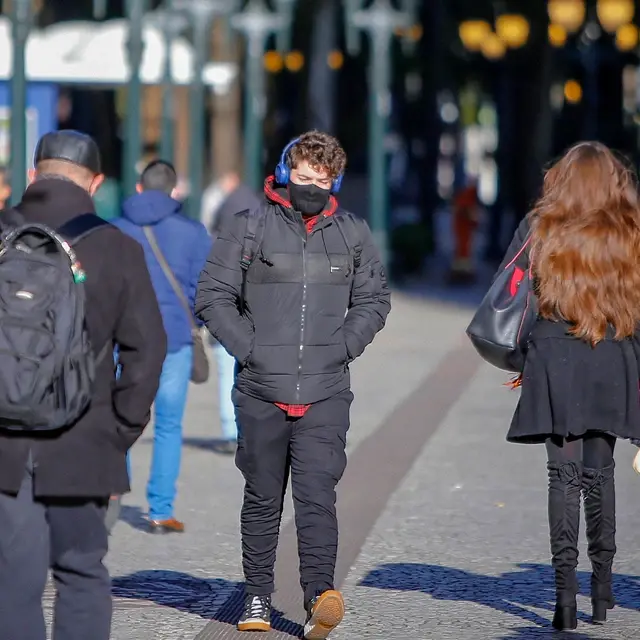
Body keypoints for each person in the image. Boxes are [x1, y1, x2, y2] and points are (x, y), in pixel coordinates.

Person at [196, 130, 391, 638]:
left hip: (326, 389)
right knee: (263, 497)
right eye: (302, 177)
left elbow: (374, 299)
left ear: (335, 183)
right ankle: (257, 596)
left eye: (321, 182)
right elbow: (212, 296)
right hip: (261, 389)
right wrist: (251, 350)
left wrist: (344, 346)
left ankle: (319, 597)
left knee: (317, 495)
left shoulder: (352, 233)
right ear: (284, 174)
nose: (310, 188)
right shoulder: (248, 226)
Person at [0, 130, 166, 639]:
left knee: (11, 583)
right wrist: (119, 431)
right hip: (84, 440)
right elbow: (147, 350)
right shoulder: (117, 248)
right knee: (82, 575)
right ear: (95, 183)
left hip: (4, 444)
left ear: (34, 174)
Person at [497, 141, 640, 631]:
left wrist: (525, 358)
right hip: (614, 353)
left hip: (555, 353)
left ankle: (564, 598)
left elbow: (512, 291)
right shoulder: (629, 228)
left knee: (562, 476)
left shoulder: (541, 226)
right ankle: (601, 590)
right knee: (601, 472)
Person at [113, 159, 211, 533]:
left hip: (124, 338)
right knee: (169, 425)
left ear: (139, 187)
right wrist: (194, 323)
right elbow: (203, 290)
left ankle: (112, 494)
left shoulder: (114, 229)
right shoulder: (193, 232)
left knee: (120, 417)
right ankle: (160, 510)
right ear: (174, 191)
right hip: (173, 338)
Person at [202, 170, 262, 453]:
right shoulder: (263, 232)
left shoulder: (218, 245)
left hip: (225, 316)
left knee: (227, 371)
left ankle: (230, 431)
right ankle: (249, 430)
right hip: (253, 319)